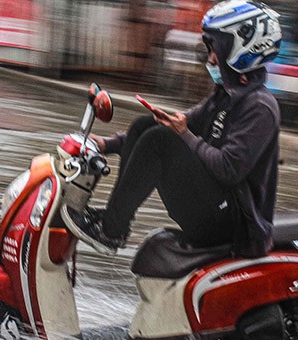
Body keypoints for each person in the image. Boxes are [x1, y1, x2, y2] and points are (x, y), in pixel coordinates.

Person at [62, 0, 282, 258]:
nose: (210, 59)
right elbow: (178, 121)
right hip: (218, 208)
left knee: (160, 141)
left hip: (237, 227)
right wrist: (106, 145)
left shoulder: (260, 107)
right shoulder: (226, 95)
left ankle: (111, 230)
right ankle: (114, 221)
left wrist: (185, 135)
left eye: (215, 51)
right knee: (146, 125)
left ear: (240, 50)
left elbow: (229, 168)